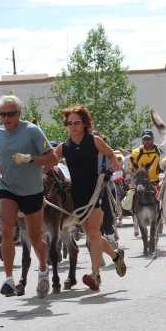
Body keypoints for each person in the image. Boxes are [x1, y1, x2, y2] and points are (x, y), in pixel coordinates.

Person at [0, 95, 59, 298]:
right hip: (8, 188)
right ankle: (9, 279)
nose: (6, 118)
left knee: (35, 238)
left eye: (11, 114)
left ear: (19, 113)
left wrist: (30, 159)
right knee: (7, 230)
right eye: (3, 114)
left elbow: (53, 159)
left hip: (32, 190)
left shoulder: (32, 130)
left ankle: (43, 269)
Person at [53, 105, 126, 291]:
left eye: (77, 122)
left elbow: (111, 156)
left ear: (84, 123)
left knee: (93, 232)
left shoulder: (94, 140)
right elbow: (49, 162)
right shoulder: (64, 147)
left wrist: (112, 171)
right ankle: (116, 256)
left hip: (96, 191)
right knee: (94, 235)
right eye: (70, 123)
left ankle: (95, 275)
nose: (73, 126)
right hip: (77, 196)